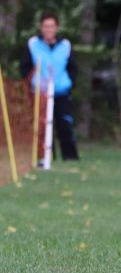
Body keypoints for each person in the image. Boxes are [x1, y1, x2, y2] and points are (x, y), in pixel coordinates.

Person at [20, 12, 79, 161]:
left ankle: (70, 157)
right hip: (41, 93)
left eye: (51, 26)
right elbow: (25, 68)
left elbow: (73, 68)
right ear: (41, 28)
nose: (48, 29)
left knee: (65, 125)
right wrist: (31, 85)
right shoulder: (33, 45)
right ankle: (46, 156)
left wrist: (69, 84)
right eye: (46, 26)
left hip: (61, 93)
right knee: (43, 127)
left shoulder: (65, 46)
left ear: (56, 28)